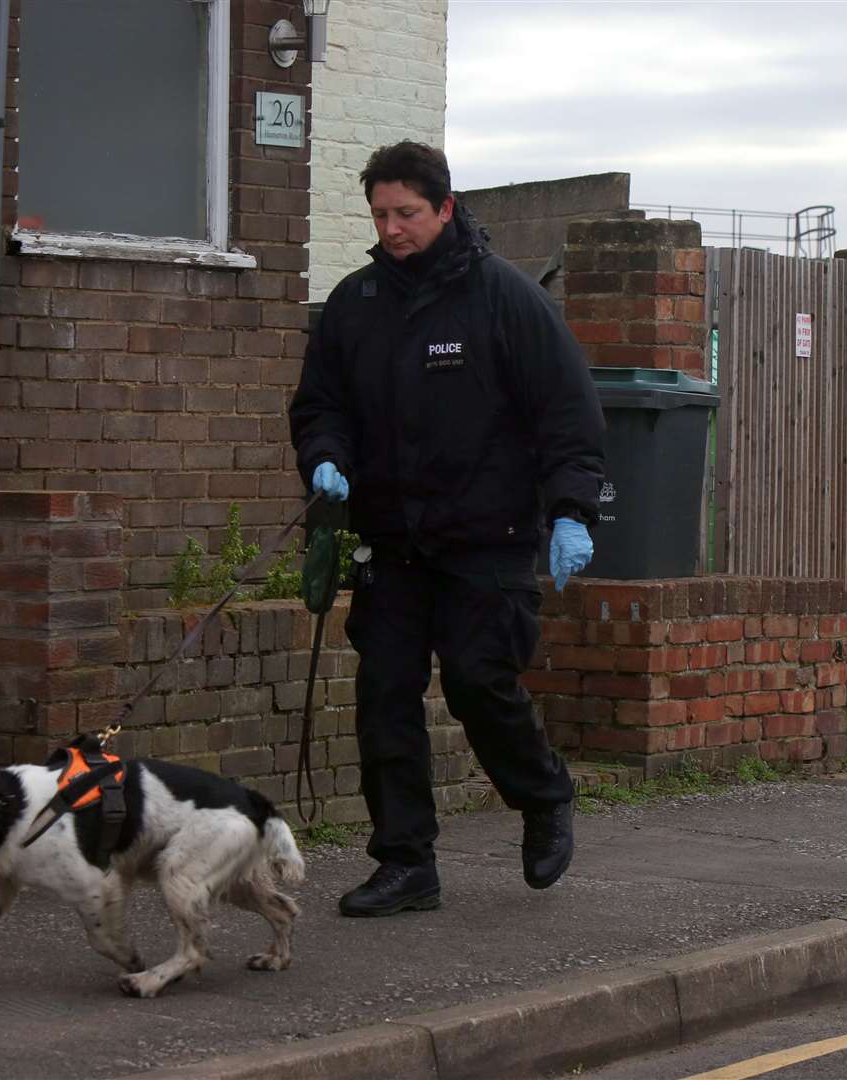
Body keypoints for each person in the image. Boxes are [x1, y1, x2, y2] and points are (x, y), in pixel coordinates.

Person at [289, 141, 606, 918]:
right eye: (379, 215)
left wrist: (569, 510)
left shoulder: (504, 300)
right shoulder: (356, 304)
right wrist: (325, 457)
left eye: (406, 213)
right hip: (391, 542)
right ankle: (404, 863)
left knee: (476, 683)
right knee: (384, 695)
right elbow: (319, 404)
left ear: (444, 209)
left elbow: (567, 416)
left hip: (485, 537)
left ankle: (542, 795)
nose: (392, 228)